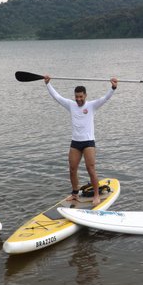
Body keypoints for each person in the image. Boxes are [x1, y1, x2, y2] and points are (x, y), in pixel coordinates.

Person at [44, 75, 118, 206]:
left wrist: (113, 87)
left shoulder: (92, 106)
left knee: (91, 169)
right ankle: (74, 194)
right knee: (72, 169)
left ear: (85, 96)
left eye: (81, 97)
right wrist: (48, 84)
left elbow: (105, 98)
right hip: (75, 143)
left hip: (88, 142)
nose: (78, 99)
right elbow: (57, 97)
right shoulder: (71, 105)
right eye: (76, 97)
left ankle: (96, 195)